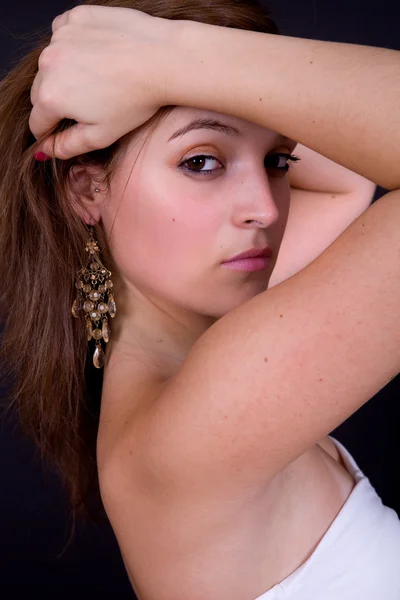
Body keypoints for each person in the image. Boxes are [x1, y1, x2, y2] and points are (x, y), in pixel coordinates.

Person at [1, 0, 400, 598]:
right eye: (201, 162)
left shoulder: (197, 342)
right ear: (87, 191)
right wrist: (171, 61)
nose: (264, 208)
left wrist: (166, 70)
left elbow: (346, 179)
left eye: (277, 161)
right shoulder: (192, 431)